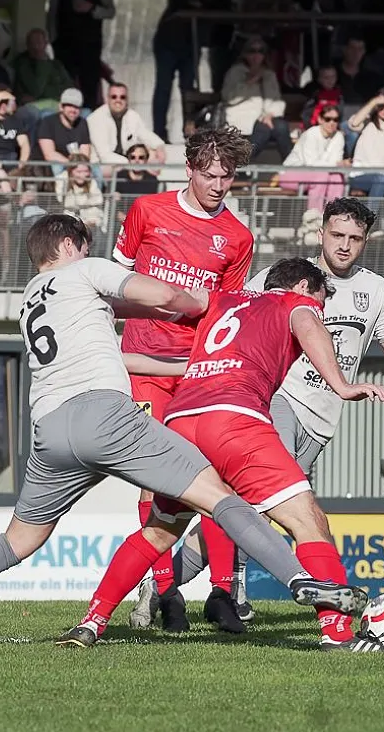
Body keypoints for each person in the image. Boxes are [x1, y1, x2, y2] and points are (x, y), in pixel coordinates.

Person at [0, 215, 365, 645]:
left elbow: (114, 351)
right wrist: (207, 304)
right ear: (71, 246)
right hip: (106, 418)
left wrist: (186, 361)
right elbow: (164, 296)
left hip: (50, 432)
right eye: (84, 245)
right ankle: (301, 581)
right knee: (220, 497)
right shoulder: (84, 270)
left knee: (15, 542)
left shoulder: (30, 299)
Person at [59, 257, 384, 652]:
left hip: (181, 420)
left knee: (159, 530)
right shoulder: (293, 303)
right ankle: (337, 634)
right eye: (321, 300)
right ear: (302, 287)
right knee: (308, 522)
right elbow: (305, 321)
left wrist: (106, 308)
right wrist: (341, 384)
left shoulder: (220, 299)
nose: (320, 309)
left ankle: (92, 621)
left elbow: (173, 303)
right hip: (233, 419)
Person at [151, 198, 384, 625]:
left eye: (355, 239)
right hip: (274, 399)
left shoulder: (376, 291)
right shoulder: (283, 278)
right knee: (254, 501)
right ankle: (231, 590)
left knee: (252, 508)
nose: (344, 246)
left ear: (366, 242)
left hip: (322, 419)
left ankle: (162, 586)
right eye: (337, 235)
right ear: (320, 234)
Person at [114, 126, 256, 633]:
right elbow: (113, 280)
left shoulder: (238, 237)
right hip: (147, 367)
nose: (219, 184)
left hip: (200, 373)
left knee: (215, 479)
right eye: (210, 174)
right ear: (190, 170)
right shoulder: (147, 210)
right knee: (155, 482)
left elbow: (227, 313)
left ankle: (221, 594)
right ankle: (163, 591)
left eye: (228, 176)